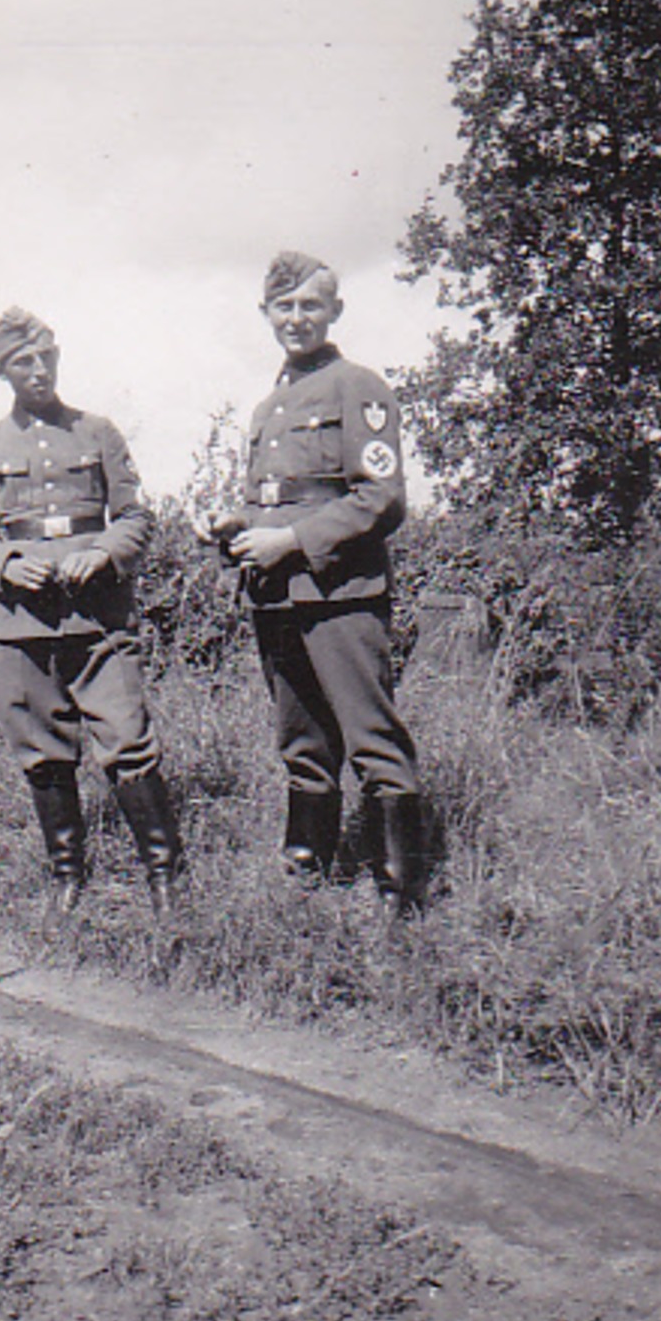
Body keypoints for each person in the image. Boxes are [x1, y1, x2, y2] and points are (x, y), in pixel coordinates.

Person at [0, 306, 181, 937]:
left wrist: (102, 552)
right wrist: (5, 564)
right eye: (22, 362)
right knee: (45, 757)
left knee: (128, 744)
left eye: (46, 357)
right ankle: (67, 880)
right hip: (20, 628)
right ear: (0, 371)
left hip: (97, 623)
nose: (38, 370)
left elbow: (136, 519)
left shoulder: (98, 433)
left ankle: (165, 878)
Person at [209, 251, 424, 913]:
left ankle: (399, 895)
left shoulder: (356, 386)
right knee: (301, 741)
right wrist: (238, 523)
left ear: (334, 310)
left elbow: (380, 498)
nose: (295, 318)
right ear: (265, 314)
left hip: (340, 594)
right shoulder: (267, 406)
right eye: (283, 306)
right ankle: (307, 875)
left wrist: (292, 541)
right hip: (276, 595)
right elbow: (285, 498)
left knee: (370, 736)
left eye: (309, 305)